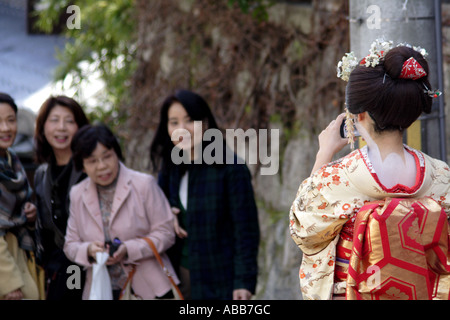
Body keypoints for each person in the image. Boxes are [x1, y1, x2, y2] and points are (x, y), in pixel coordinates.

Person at [289, 41, 450, 300]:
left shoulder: (340, 176)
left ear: (359, 115)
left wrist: (324, 153)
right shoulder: (440, 176)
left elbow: (304, 230)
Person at [150, 89, 260, 300]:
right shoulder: (169, 170)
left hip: (221, 279)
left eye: (190, 120)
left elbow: (246, 231)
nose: (181, 129)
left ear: (206, 123)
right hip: (180, 278)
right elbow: (154, 213)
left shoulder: (231, 169)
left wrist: (243, 282)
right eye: (173, 122)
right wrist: (167, 213)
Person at [64, 124, 179, 300]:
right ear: (82, 166)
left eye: (107, 156)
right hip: (101, 290)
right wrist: (88, 250)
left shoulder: (144, 185)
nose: (102, 166)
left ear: (117, 154)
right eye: (92, 161)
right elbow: (70, 245)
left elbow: (166, 233)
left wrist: (129, 249)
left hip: (149, 289)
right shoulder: (77, 193)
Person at [33, 95, 89, 299]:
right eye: (54, 120)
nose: (61, 128)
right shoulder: (41, 174)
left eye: (69, 121)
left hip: (87, 263)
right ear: (43, 126)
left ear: (80, 127)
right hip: (54, 267)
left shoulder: (91, 168)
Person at [0, 93, 40, 300]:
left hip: (18, 255)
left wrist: (29, 215)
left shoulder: (12, 161)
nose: (5, 128)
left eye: (10, 120)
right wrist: (9, 284)